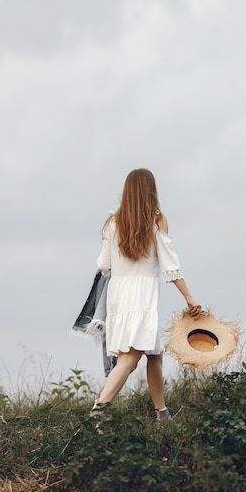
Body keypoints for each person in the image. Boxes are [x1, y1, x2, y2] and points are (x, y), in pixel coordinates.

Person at [90, 168, 201, 421]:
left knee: (153, 353)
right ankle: (99, 409)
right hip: (141, 296)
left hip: (118, 295)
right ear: (151, 190)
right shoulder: (156, 219)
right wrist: (189, 297)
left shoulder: (112, 222)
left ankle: (162, 413)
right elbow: (170, 265)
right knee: (129, 360)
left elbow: (104, 265)